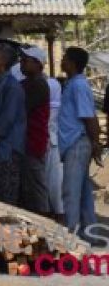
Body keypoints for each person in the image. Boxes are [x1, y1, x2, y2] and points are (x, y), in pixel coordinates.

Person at [58, 46, 102, 239]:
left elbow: (89, 118)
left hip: (77, 143)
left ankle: (71, 237)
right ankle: (91, 235)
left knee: (71, 192)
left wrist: (95, 143)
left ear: (73, 63)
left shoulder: (78, 86)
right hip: (75, 143)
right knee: (83, 192)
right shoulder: (72, 84)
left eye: (65, 58)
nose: (62, 61)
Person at [0, 44, 26, 206]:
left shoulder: (11, 86)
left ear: (3, 61)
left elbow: (7, 118)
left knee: (5, 193)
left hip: (7, 148)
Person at [18, 46, 52, 214]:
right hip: (26, 141)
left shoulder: (38, 84)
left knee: (36, 186)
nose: (22, 63)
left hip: (34, 142)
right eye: (21, 60)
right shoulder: (25, 83)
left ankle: (43, 223)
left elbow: (20, 110)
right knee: (28, 186)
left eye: (26, 60)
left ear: (38, 64)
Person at [46, 66, 65, 220]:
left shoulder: (55, 107)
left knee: (54, 180)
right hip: (51, 141)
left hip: (52, 142)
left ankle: (57, 211)